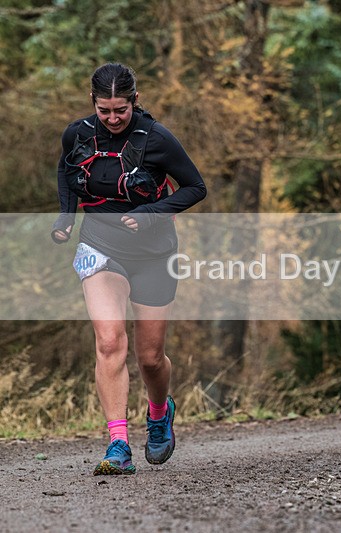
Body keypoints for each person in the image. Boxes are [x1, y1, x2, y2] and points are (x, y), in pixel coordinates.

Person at [51, 63, 207, 475]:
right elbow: (67, 171)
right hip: (100, 247)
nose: (114, 118)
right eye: (105, 110)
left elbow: (196, 186)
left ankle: (159, 413)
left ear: (135, 102)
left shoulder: (157, 138)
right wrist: (66, 218)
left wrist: (154, 212)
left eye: (121, 109)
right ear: (93, 103)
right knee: (108, 341)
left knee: (150, 358)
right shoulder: (77, 133)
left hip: (154, 254)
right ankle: (118, 442)